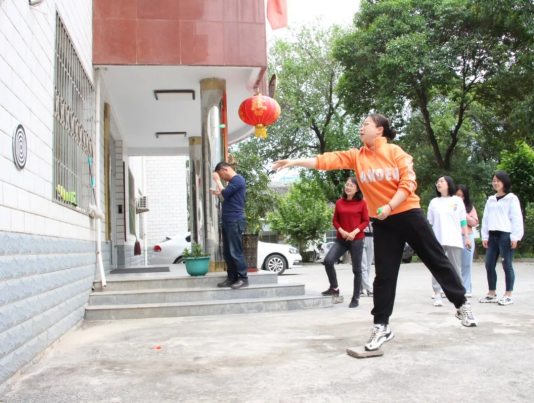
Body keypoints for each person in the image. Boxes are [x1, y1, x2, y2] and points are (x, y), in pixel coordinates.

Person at [273, 113, 477, 352]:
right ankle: (381, 326)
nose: (361, 128)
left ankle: (461, 304)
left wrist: (390, 206)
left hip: (408, 213)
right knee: (384, 276)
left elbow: (408, 183)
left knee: (436, 259)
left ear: (380, 130)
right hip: (383, 222)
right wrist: (294, 162)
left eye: (366, 124)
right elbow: (326, 160)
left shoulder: (396, 153)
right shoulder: (357, 156)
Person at [322, 177, 369, 308]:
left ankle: (356, 297)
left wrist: (354, 232)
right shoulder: (339, 202)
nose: (348, 187)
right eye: (347, 185)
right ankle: (334, 288)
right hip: (341, 239)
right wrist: (342, 231)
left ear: (357, 189)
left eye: (351, 185)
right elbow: (335, 220)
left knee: (357, 269)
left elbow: (365, 221)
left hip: (356, 240)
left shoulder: (362, 203)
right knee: (328, 261)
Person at [480, 171, 524, 306]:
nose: (495, 183)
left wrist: (515, 237)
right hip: (492, 236)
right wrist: (485, 236)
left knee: (507, 265)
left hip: (506, 236)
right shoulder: (491, 199)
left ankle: (508, 295)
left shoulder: (511, 198)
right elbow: (485, 219)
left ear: (505, 182)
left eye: (498, 180)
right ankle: (491, 294)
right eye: (494, 180)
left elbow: (516, 218)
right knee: (489, 264)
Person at [427, 176, 472, 307]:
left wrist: (467, 237)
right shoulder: (434, 202)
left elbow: (463, 220)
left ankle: (461, 295)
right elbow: (430, 223)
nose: (438, 183)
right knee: (437, 267)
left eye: (442, 181)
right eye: (437, 182)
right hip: (437, 240)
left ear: (449, 184)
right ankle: (437, 294)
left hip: (454, 239)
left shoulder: (457, 200)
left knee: (456, 268)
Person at [210, 162, 248, 289]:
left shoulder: (238, 179)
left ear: (225, 170)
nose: (221, 177)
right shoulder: (233, 182)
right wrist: (219, 192)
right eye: (219, 176)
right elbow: (227, 194)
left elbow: (226, 194)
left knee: (235, 251)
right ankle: (232, 277)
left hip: (234, 221)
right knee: (227, 252)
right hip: (228, 221)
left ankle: (243, 278)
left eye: (221, 175)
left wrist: (217, 181)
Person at [456, 184, 478, 297]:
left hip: (467, 237)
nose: (460, 198)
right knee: (452, 264)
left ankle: (467, 288)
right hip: (453, 237)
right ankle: (449, 288)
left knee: (466, 264)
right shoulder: (450, 206)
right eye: (458, 195)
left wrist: (463, 213)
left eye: (462, 196)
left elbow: (474, 222)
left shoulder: (470, 208)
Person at [360, 219, 374, 297]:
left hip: (372, 237)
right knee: (363, 265)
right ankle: (368, 288)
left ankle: (361, 287)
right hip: (361, 236)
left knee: (368, 265)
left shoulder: (374, 211)